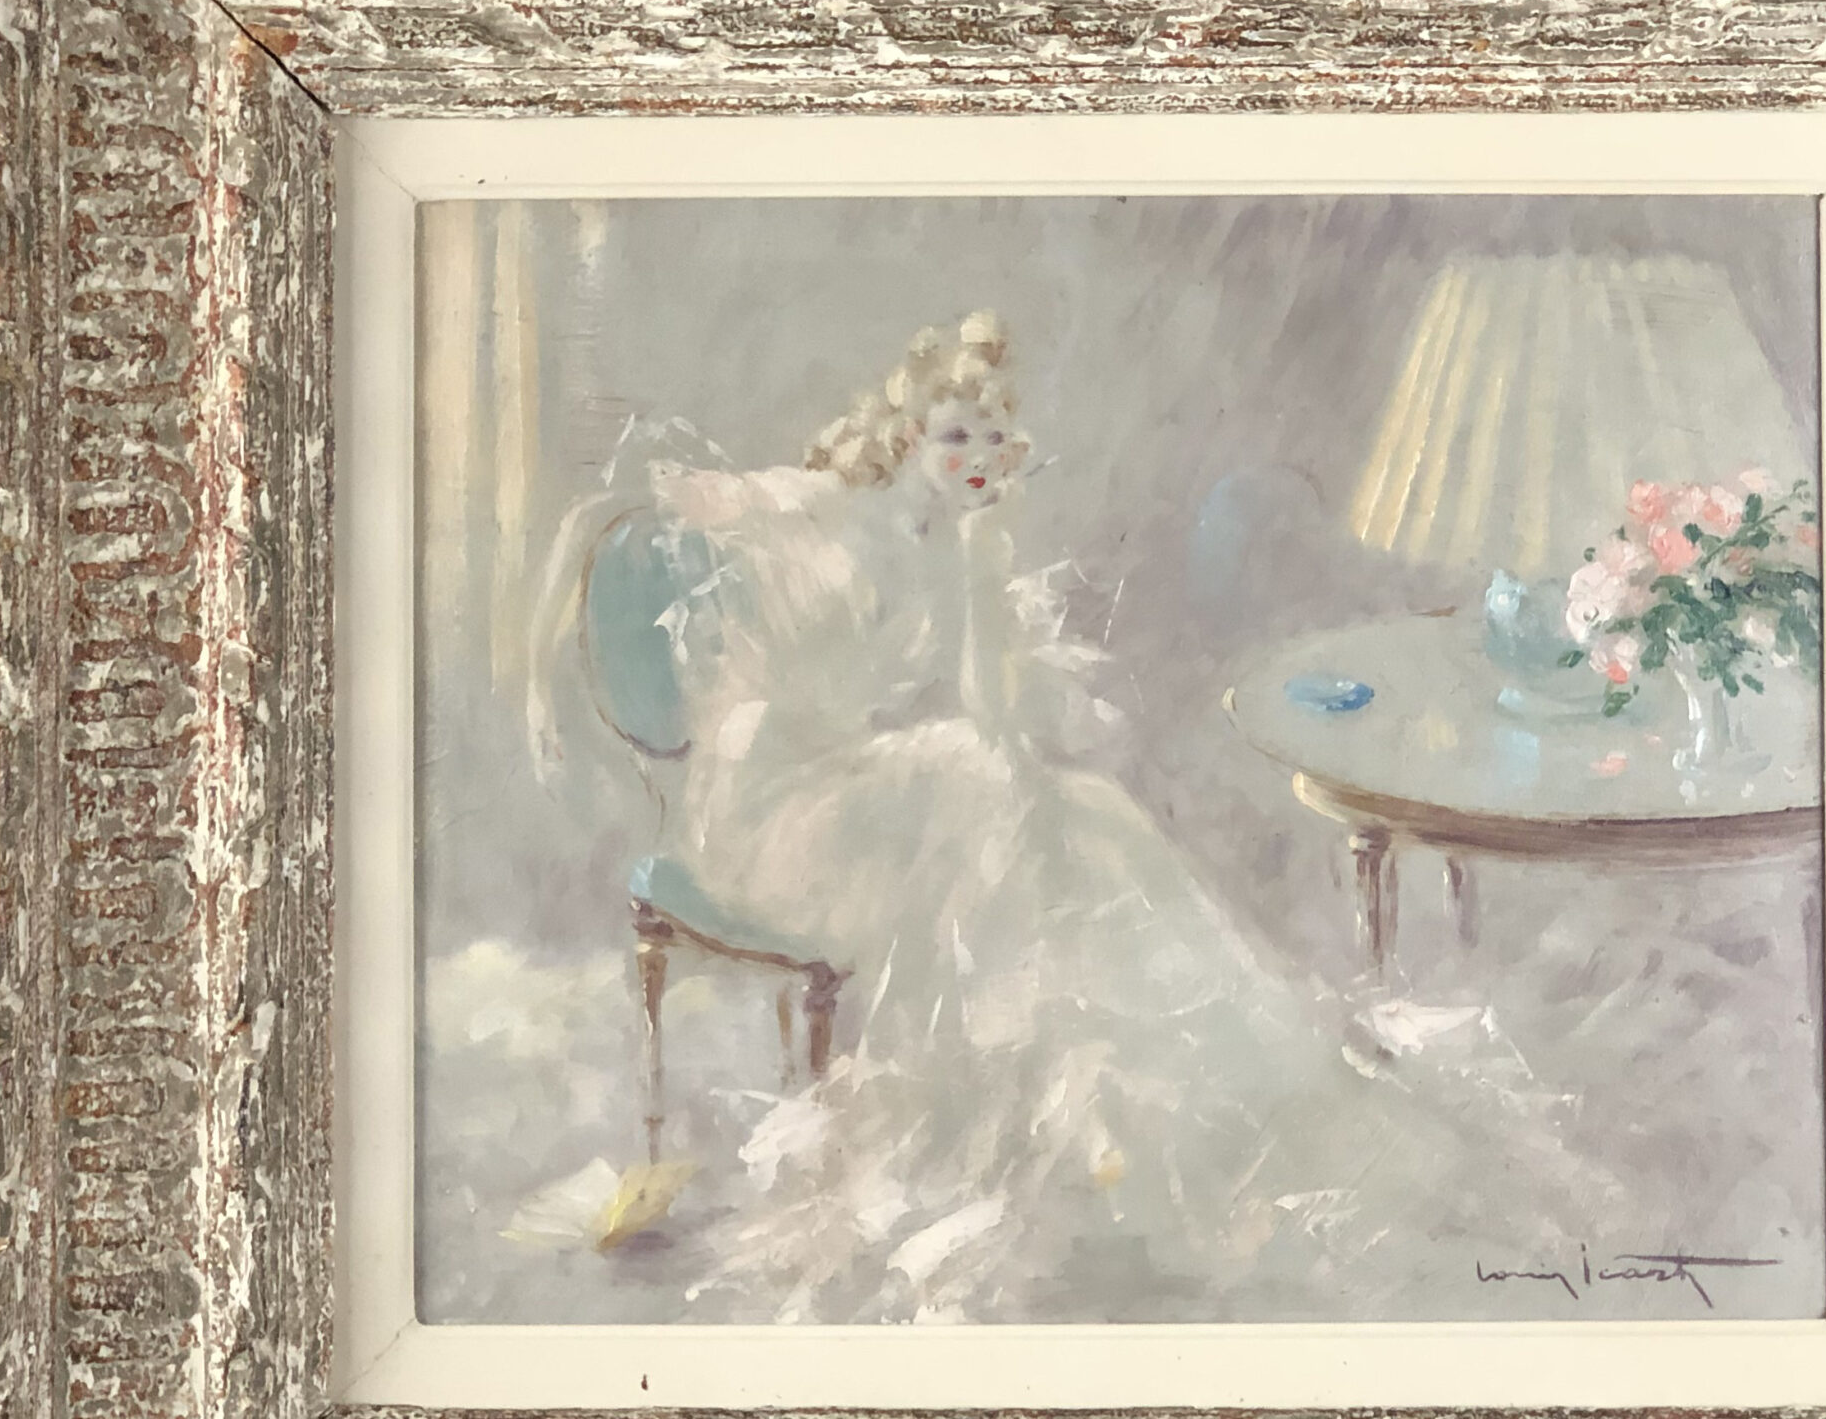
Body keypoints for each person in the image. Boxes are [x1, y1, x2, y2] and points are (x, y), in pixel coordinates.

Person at [640, 313, 1514, 1324]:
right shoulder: (831, 507)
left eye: (988, 438)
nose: (971, 457)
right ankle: (1035, 1107)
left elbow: (991, 709)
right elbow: (719, 516)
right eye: (951, 435)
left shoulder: (959, 547)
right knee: (978, 781)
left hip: (873, 780)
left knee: (1083, 810)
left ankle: (1169, 1110)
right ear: (909, 437)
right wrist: (710, 501)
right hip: (773, 799)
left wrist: (985, 570)